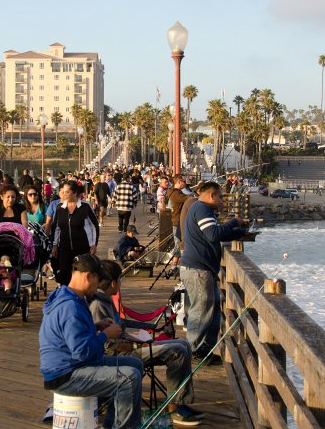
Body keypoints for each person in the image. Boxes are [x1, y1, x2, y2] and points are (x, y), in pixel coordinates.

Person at [89, 260, 202, 426]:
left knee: (184, 345)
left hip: (130, 344)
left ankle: (179, 402)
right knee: (178, 350)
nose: (120, 284)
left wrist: (137, 337)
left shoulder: (105, 300)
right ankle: (175, 408)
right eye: (120, 280)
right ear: (113, 282)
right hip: (122, 354)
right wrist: (140, 344)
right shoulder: (98, 304)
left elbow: (119, 329)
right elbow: (109, 346)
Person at [39, 254, 143, 429]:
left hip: (71, 366)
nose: (99, 285)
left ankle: (112, 423)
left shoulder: (69, 296)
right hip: (65, 376)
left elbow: (71, 334)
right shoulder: (70, 307)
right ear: (88, 276)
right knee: (129, 378)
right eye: (98, 280)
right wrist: (106, 334)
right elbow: (82, 352)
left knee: (135, 364)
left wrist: (97, 326)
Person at [180, 181, 246, 361]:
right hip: (198, 270)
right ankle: (193, 351)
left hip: (202, 269)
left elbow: (214, 233)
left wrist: (240, 232)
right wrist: (234, 222)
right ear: (212, 195)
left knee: (212, 312)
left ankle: (205, 351)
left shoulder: (200, 209)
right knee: (200, 313)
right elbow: (213, 234)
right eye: (220, 197)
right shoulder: (202, 209)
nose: (222, 201)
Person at [50, 181, 99, 285]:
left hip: (82, 248)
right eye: (63, 192)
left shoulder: (85, 207)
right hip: (64, 248)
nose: (64, 194)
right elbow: (56, 228)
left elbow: (94, 226)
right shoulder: (60, 208)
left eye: (67, 192)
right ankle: (66, 297)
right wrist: (54, 245)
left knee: (82, 275)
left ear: (75, 193)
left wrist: (94, 244)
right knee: (64, 274)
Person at [167, 174, 192, 254]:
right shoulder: (176, 194)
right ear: (179, 182)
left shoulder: (176, 192)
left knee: (179, 243)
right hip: (178, 221)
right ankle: (174, 264)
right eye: (184, 181)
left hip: (179, 221)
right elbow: (188, 199)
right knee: (179, 244)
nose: (185, 183)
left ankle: (176, 262)